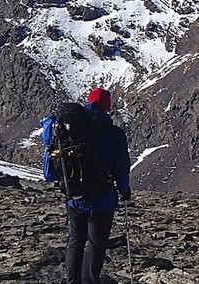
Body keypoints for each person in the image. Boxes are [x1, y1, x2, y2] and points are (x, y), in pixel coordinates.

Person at [63, 87, 131, 284]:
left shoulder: (72, 129)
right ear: (107, 106)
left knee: (75, 240)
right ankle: (90, 281)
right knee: (95, 244)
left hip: (74, 198)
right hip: (102, 200)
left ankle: (72, 281)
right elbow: (121, 166)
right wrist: (124, 190)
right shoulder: (113, 133)